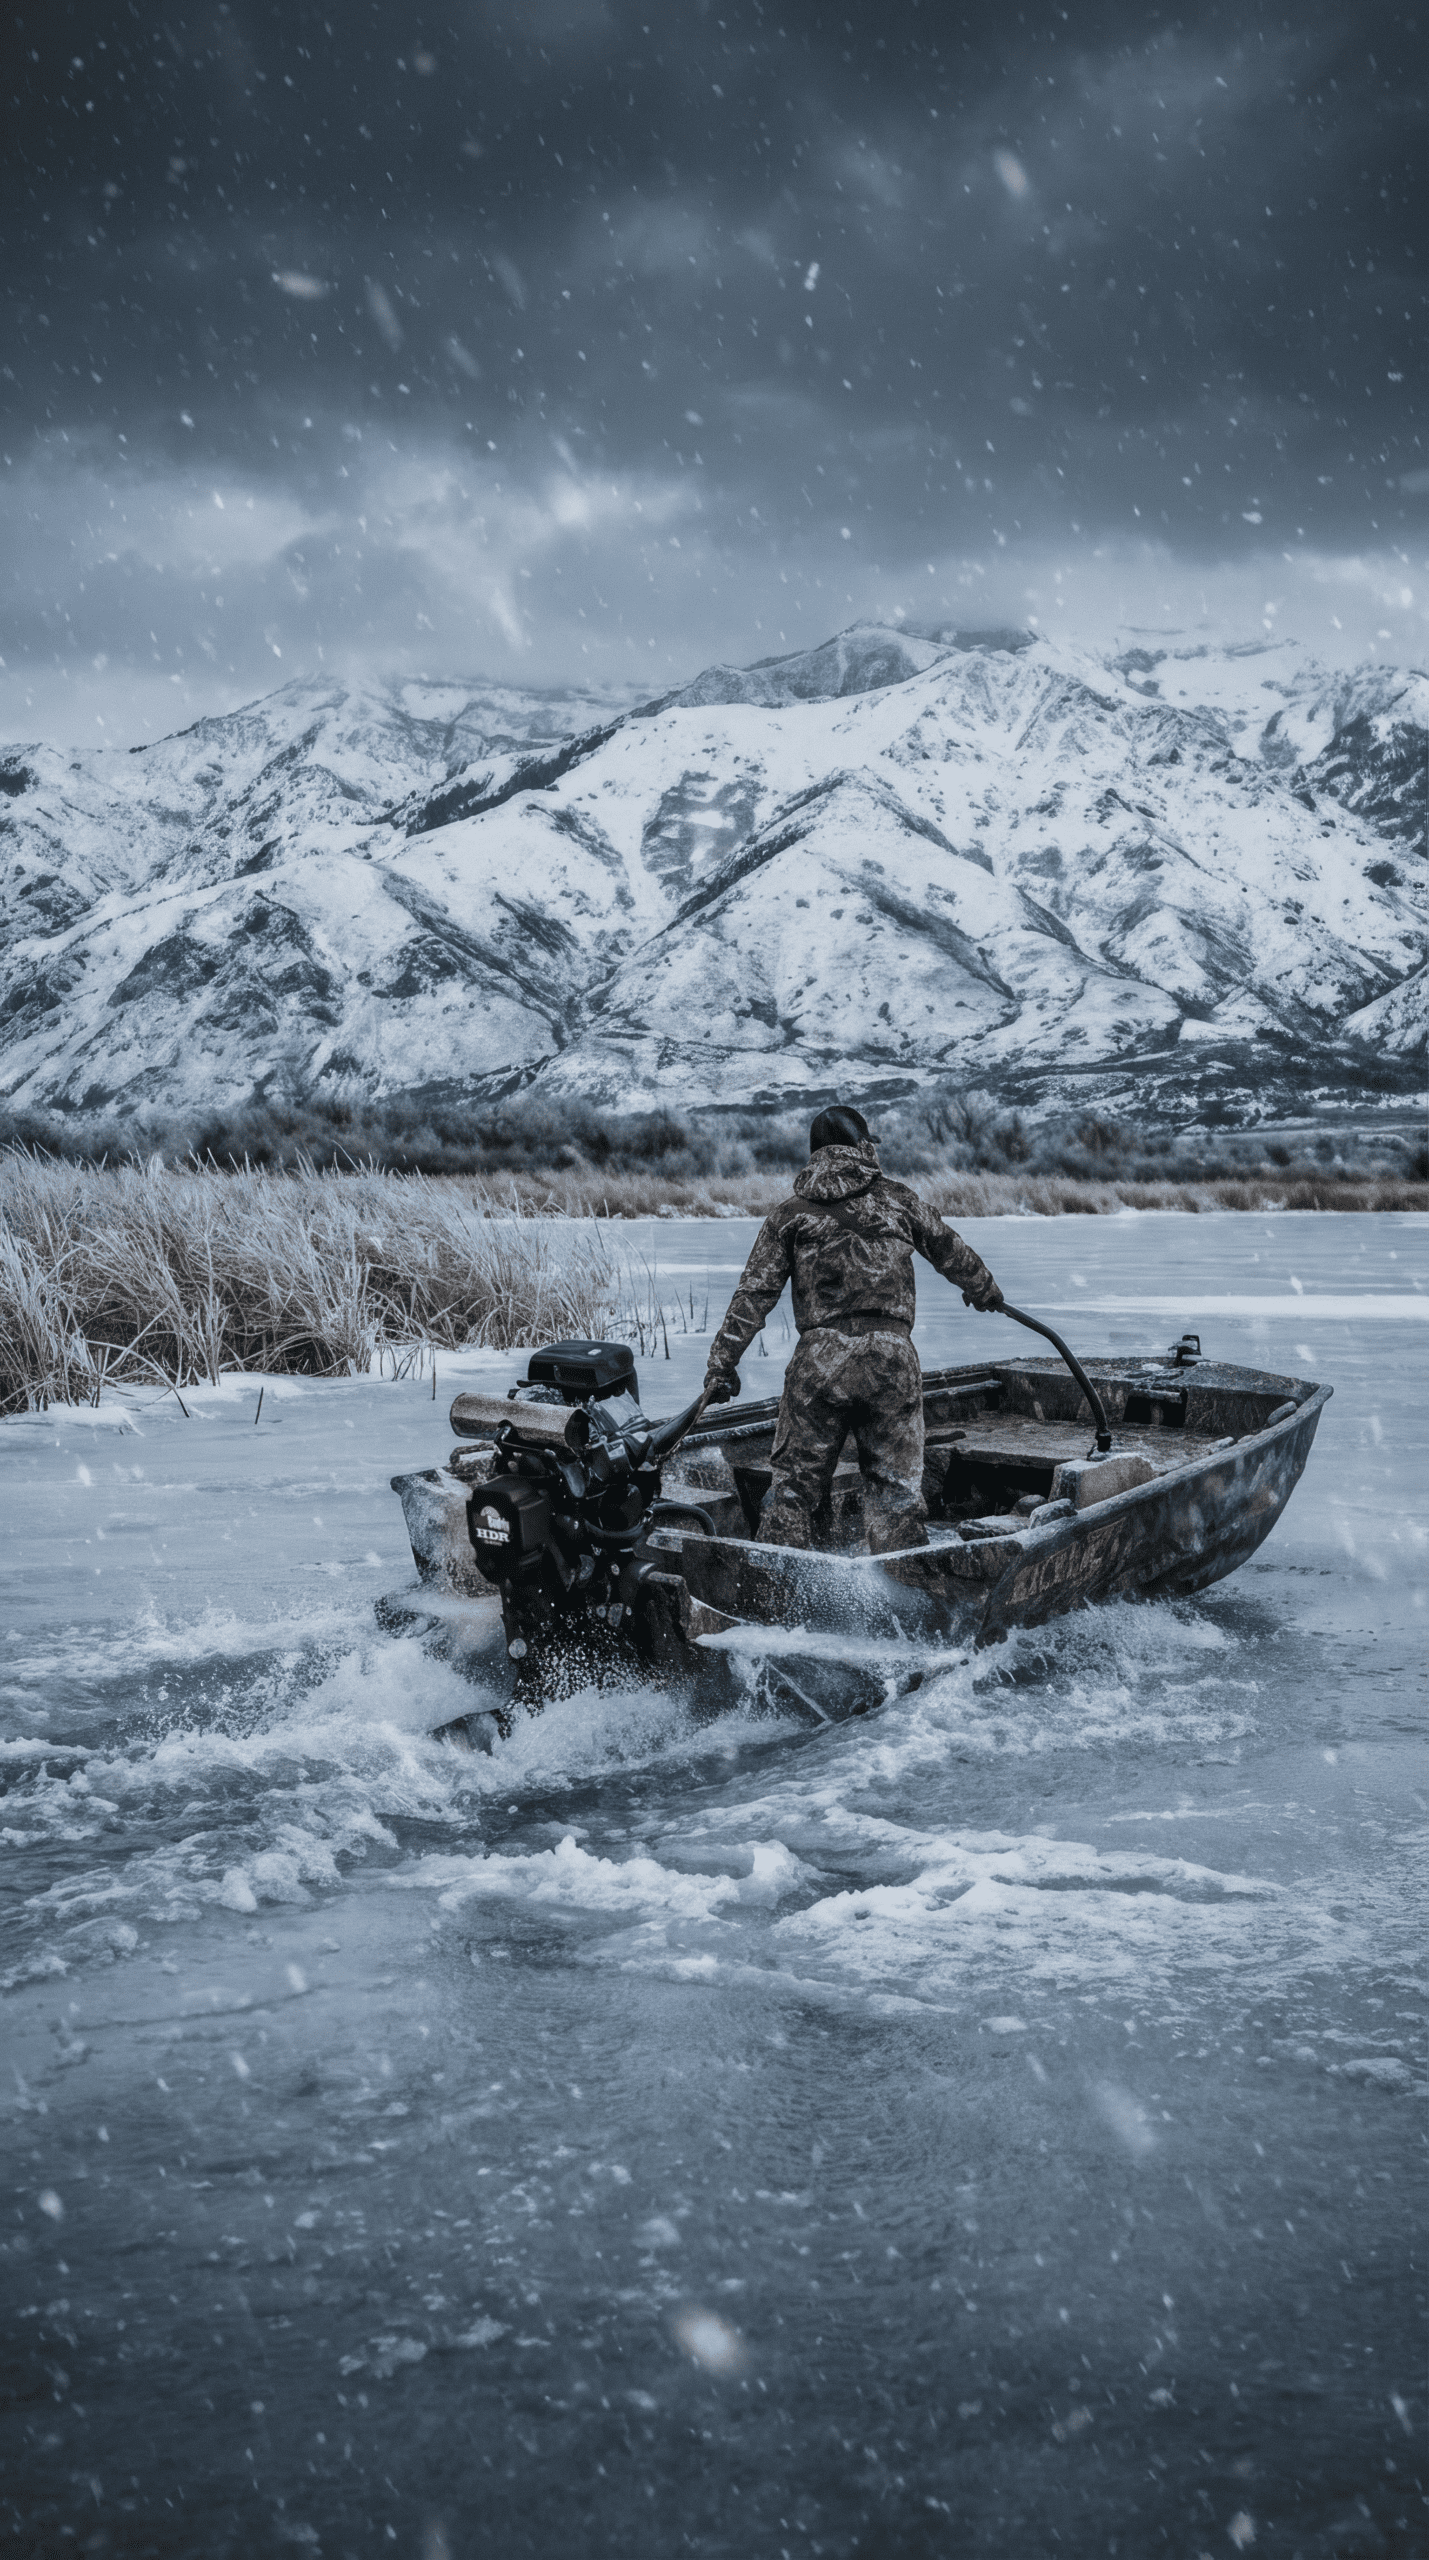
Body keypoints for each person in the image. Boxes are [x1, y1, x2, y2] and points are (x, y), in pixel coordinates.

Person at [702, 1105, 1004, 1554]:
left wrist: (721, 1366)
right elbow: (951, 1251)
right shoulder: (899, 1199)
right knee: (896, 1498)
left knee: (791, 1495)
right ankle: (902, 1592)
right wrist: (984, 1290)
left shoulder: (790, 1215)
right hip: (891, 1360)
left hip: (820, 1363)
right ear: (862, 1148)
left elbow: (753, 1295)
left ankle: (771, 1596)